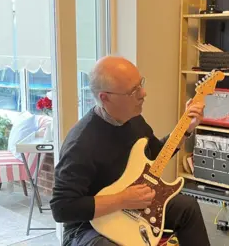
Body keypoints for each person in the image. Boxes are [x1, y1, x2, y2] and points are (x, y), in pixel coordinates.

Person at [50, 56, 210, 246]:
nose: (143, 93)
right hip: (85, 227)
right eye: (134, 91)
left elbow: (156, 155)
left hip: (130, 208)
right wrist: (122, 199)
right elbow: (62, 208)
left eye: (140, 84)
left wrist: (186, 128)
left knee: (187, 208)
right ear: (105, 97)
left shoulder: (133, 120)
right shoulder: (81, 144)